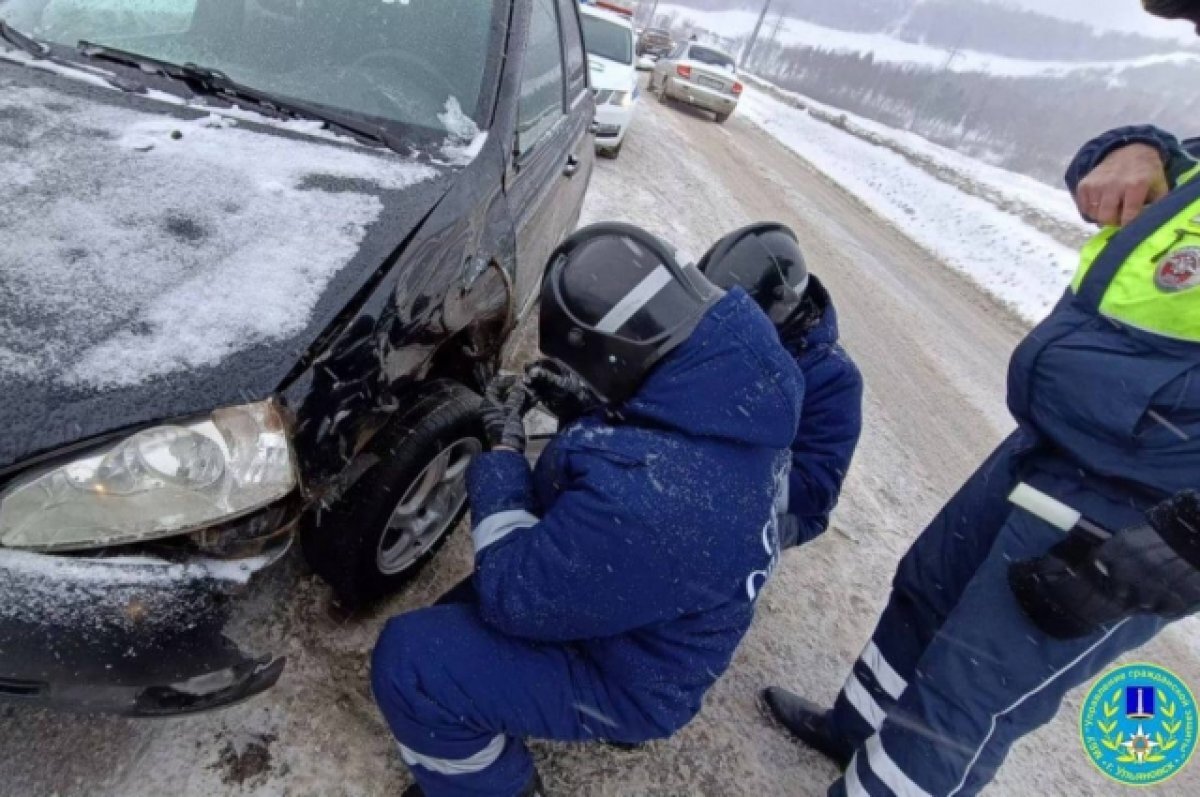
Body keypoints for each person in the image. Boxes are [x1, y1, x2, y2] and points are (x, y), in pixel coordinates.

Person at [760, 2, 1200, 793]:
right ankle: (852, 732)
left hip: (1139, 505)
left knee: (966, 697)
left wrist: (1186, 542)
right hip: (1053, 444)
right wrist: (1131, 145)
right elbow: (1116, 192)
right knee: (925, 590)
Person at [370, 223, 804, 797]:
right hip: (655, 615)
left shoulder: (651, 502)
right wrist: (591, 415)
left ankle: (498, 786)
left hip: (631, 681)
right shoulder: (740, 399)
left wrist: (503, 455)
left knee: (414, 662)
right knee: (461, 612)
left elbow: (514, 596)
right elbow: (662, 457)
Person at [697, 222, 863, 550]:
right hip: (712, 460)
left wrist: (717, 480)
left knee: (704, 533)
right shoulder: (731, 333)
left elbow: (815, 487)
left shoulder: (833, 379)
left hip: (783, 505)